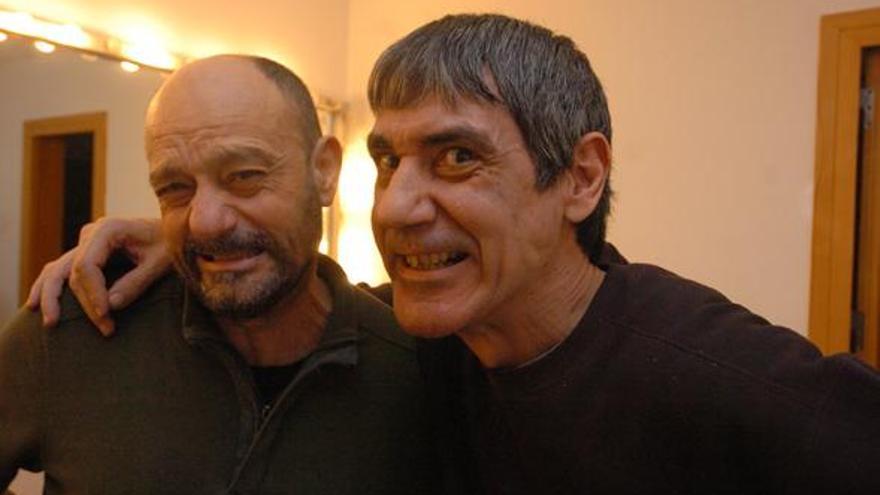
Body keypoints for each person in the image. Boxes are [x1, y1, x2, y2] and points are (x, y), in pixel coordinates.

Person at [25, 14, 880, 495]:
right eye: (389, 161)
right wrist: (196, 237)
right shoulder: (430, 343)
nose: (396, 205)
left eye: (458, 158)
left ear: (578, 177)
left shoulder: (705, 370)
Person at [0, 55, 441, 494]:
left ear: (324, 171)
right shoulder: (69, 334)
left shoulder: (420, 373)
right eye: (175, 188)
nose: (205, 222)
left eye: (244, 176)